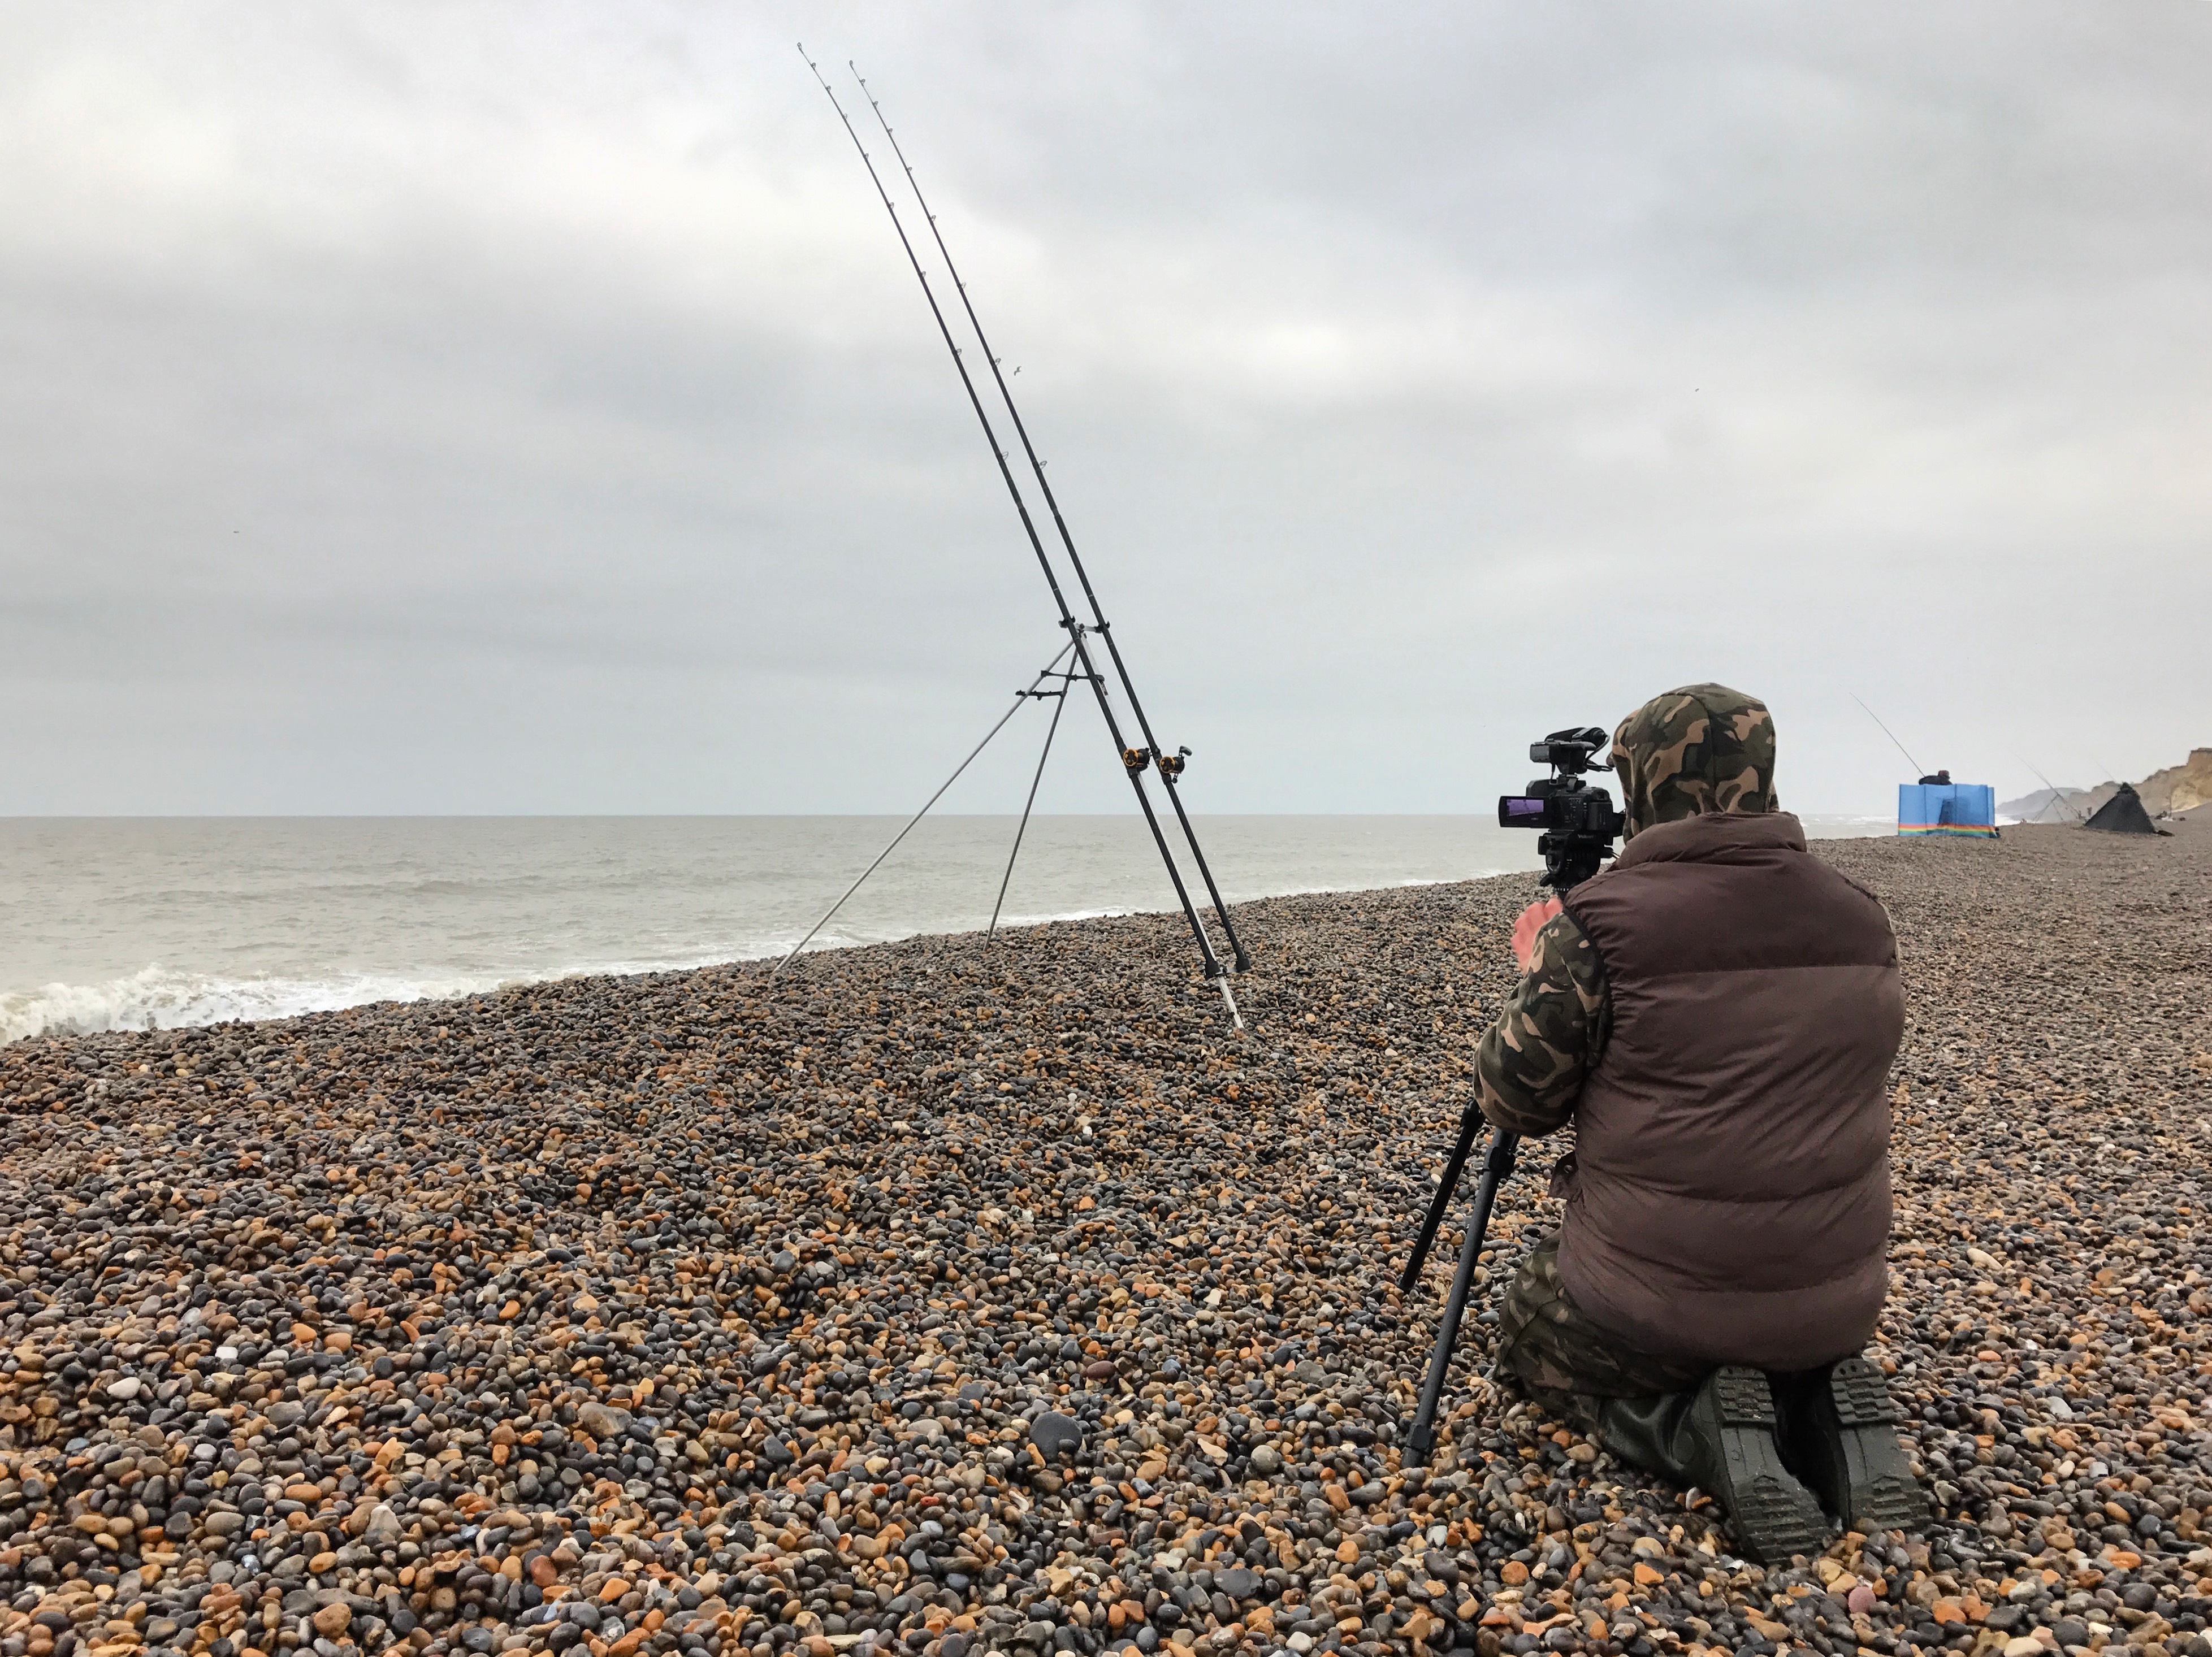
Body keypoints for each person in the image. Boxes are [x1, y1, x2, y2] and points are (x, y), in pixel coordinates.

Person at [1474, 683, 1927, 1561]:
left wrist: (1541, 964)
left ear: (1641, 787)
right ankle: (1815, 1407)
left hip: (1662, 1322)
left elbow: (1513, 1103)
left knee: (1528, 1312)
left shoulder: (1596, 927)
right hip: (1837, 1308)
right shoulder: (1859, 915)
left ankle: (1688, 1432)